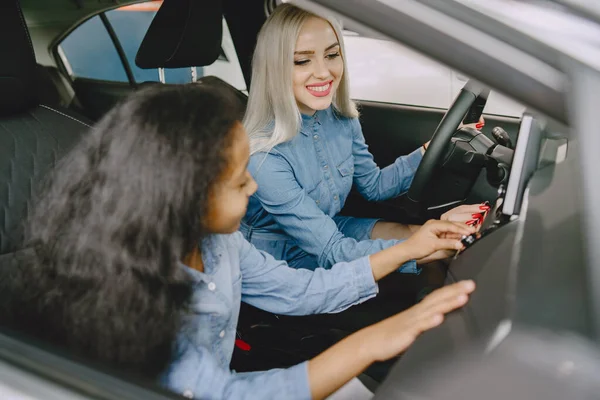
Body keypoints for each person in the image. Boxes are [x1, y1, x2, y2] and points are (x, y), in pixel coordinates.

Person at [0, 84, 476, 400]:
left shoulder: (217, 242)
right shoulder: (128, 302)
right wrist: (369, 344)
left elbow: (299, 290)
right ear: (183, 195)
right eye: (238, 180)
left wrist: (408, 250)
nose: (253, 187)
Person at [242, 3, 489, 273]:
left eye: (332, 55)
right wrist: (420, 248)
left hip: (330, 228)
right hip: (282, 260)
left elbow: (374, 186)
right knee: (429, 248)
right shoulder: (265, 157)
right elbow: (333, 250)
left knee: (428, 238)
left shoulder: (340, 118)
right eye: (303, 60)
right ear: (274, 68)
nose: (324, 72)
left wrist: (432, 150)